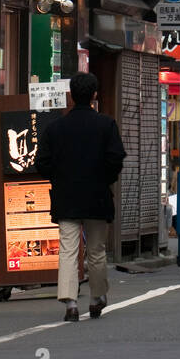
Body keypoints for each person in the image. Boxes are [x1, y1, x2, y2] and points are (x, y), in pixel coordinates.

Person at [35, 71, 126, 321]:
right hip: (97, 195)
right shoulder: (106, 125)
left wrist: (59, 177)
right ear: (95, 95)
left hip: (66, 197)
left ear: (71, 96)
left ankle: (71, 303)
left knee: (68, 250)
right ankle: (97, 297)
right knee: (96, 250)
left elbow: (41, 161)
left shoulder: (56, 128)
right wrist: (105, 179)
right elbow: (115, 158)